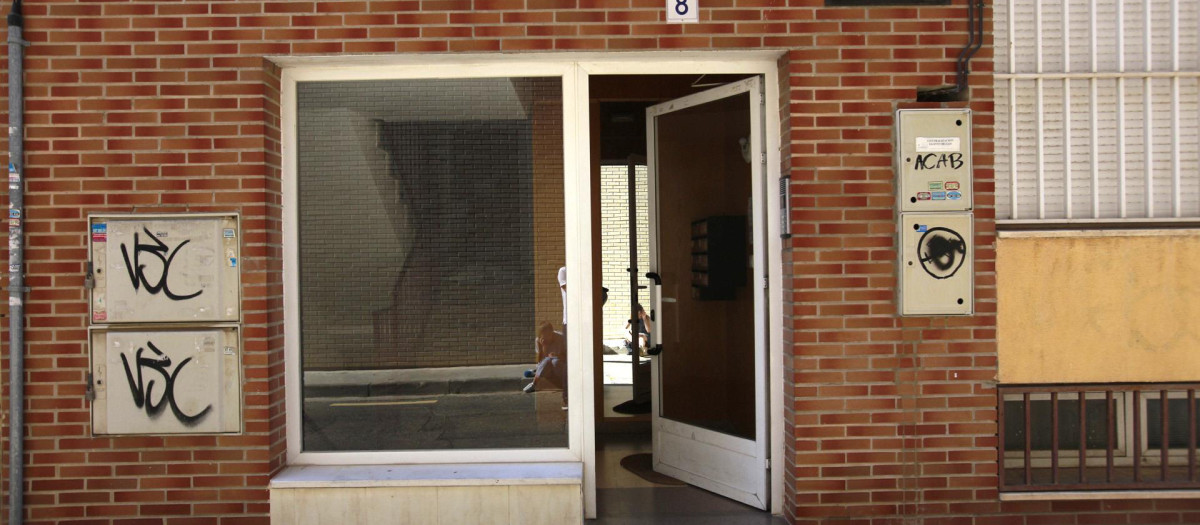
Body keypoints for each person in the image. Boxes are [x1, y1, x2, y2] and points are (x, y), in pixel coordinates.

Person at [524, 322, 567, 402]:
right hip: (546, 367)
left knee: (554, 361)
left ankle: (535, 374)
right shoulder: (539, 340)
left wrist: (557, 356)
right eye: (545, 335)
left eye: (549, 335)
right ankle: (534, 384)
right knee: (547, 360)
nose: (547, 338)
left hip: (559, 366)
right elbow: (540, 361)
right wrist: (543, 347)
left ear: (552, 332)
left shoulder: (561, 338)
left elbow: (568, 357)